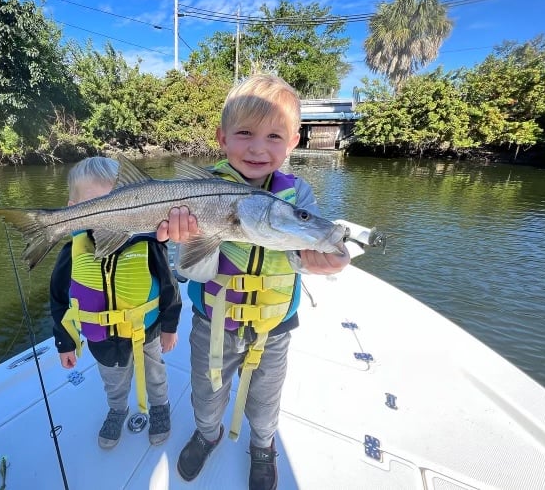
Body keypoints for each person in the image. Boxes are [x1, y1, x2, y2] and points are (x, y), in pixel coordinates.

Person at [156, 74, 351, 490]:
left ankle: (263, 446)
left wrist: (327, 261)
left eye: (274, 136)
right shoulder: (198, 190)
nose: (258, 147)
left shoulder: (298, 195)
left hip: (275, 328)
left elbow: (311, 251)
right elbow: (191, 272)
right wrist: (187, 241)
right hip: (214, 324)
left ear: (294, 141)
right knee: (208, 393)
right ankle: (208, 433)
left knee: (265, 401)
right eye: (244, 133)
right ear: (221, 138)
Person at [50, 157, 182, 449]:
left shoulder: (147, 243)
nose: (110, 212)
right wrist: (65, 343)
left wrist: (170, 327)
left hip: (145, 333)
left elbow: (170, 286)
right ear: (74, 209)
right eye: (97, 204)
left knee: (155, 374)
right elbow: (59, 301)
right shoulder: (72, 252)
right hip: (102, 341)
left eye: (117, 202)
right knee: (113, 380)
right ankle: (117, 409)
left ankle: (160, 406)